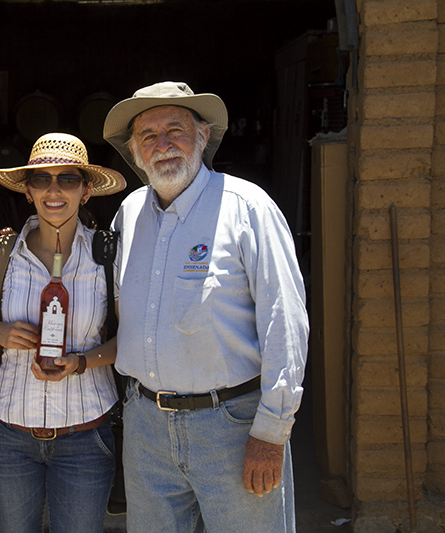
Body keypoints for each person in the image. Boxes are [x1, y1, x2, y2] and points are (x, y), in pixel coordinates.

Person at [103, 81, 309, 532]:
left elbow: (285, 323)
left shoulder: (247, 208)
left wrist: (272, 432)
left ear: (202, 135)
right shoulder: (129, 213)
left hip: (232, 425)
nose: (162, 145)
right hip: (146, 428)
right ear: (134, 152)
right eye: (148, 136)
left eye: (175, 130)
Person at [0, 133, 127, 533]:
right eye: (41, 179)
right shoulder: (5, 254)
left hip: (85, 435)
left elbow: (132, 340)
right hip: (8, 435)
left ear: (86, 191)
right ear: (28, 191)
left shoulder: (106, 256)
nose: (54, 190)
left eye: (68, 179)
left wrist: (81, 362)